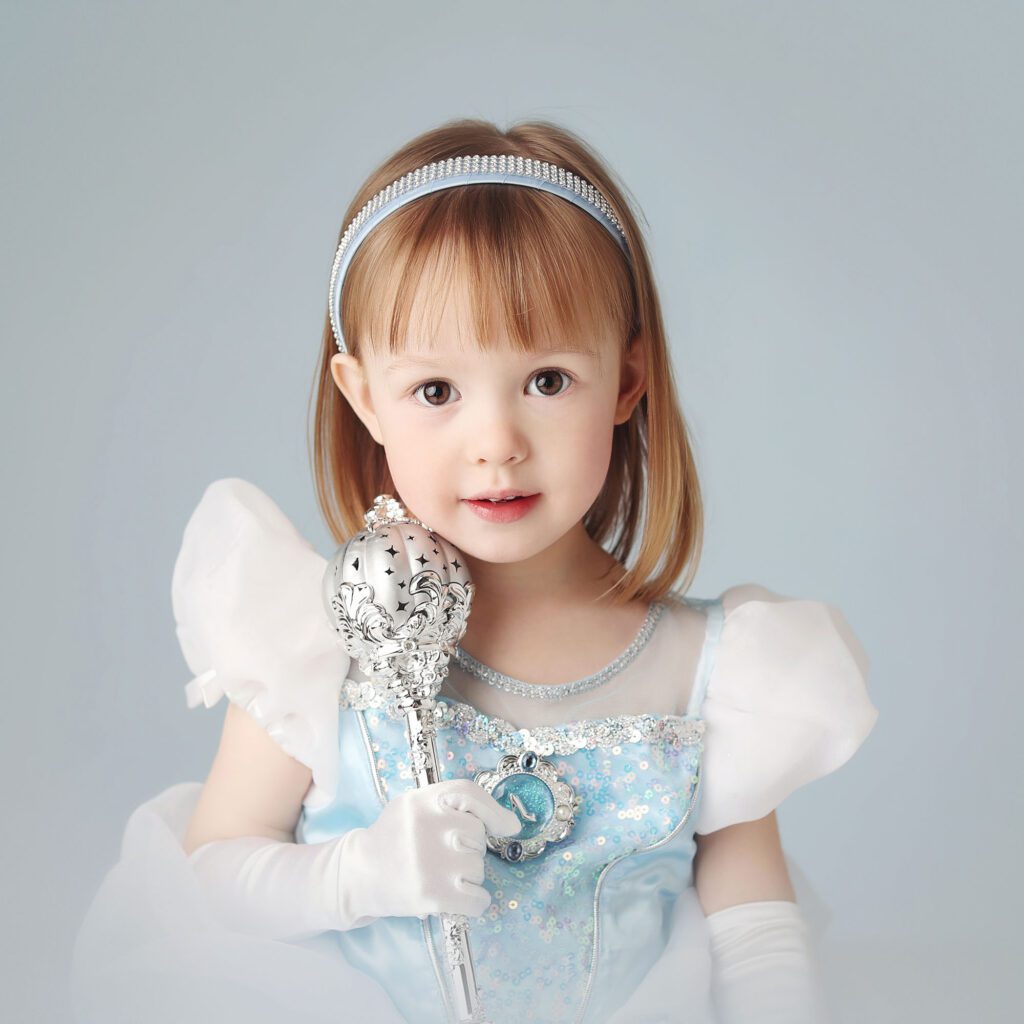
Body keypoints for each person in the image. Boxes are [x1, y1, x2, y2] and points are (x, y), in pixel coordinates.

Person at [71, 118, 879, 1024]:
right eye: (436, 391)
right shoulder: (321, 636)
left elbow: (758, 935)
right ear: (364, 397)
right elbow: (212, 875)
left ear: (626, 381)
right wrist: (352, 876)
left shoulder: (720, 671)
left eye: (546, 380)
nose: (495, 443)